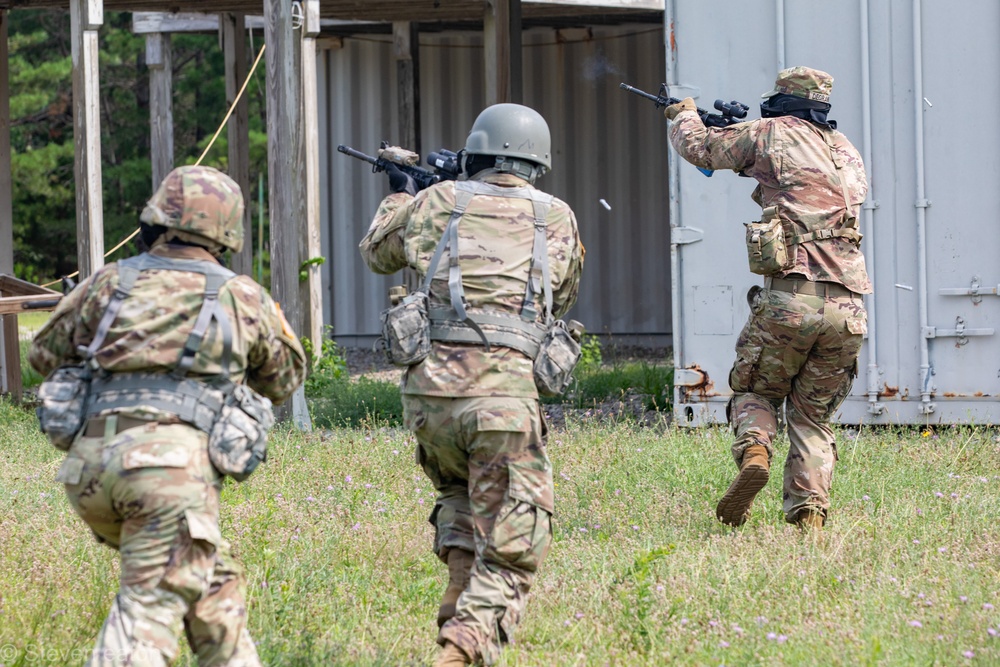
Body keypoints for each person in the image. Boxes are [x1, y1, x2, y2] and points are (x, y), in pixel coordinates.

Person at [30, 165, 306, 666]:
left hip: (89, 469)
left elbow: (43, 355)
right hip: (167, 476)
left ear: (155, 218)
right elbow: (284, 380)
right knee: (148, 611)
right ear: (226, 231)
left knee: (211, 583)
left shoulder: (108, 281)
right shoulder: (240, 294)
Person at [360, 103, 584, 666]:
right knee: (517, 529)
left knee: (460, 493)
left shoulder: (436, 201)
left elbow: (378, 255)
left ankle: (456, 608)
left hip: (429, 399)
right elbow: (564, 293)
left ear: (475, 152)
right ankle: (464, 647)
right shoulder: (557, 216)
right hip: (504, 399)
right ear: (537, 160)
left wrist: (401, 192)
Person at [664, 66, 871, 532]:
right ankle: (809, 519)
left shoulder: (768, 132)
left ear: (781, 98)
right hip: (849, 308)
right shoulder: (846, 151)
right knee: (813, 416)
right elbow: (801, 184)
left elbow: (700, 149)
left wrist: (684, 115)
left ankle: (756, 452)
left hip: (791, 300)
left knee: (756, 390)